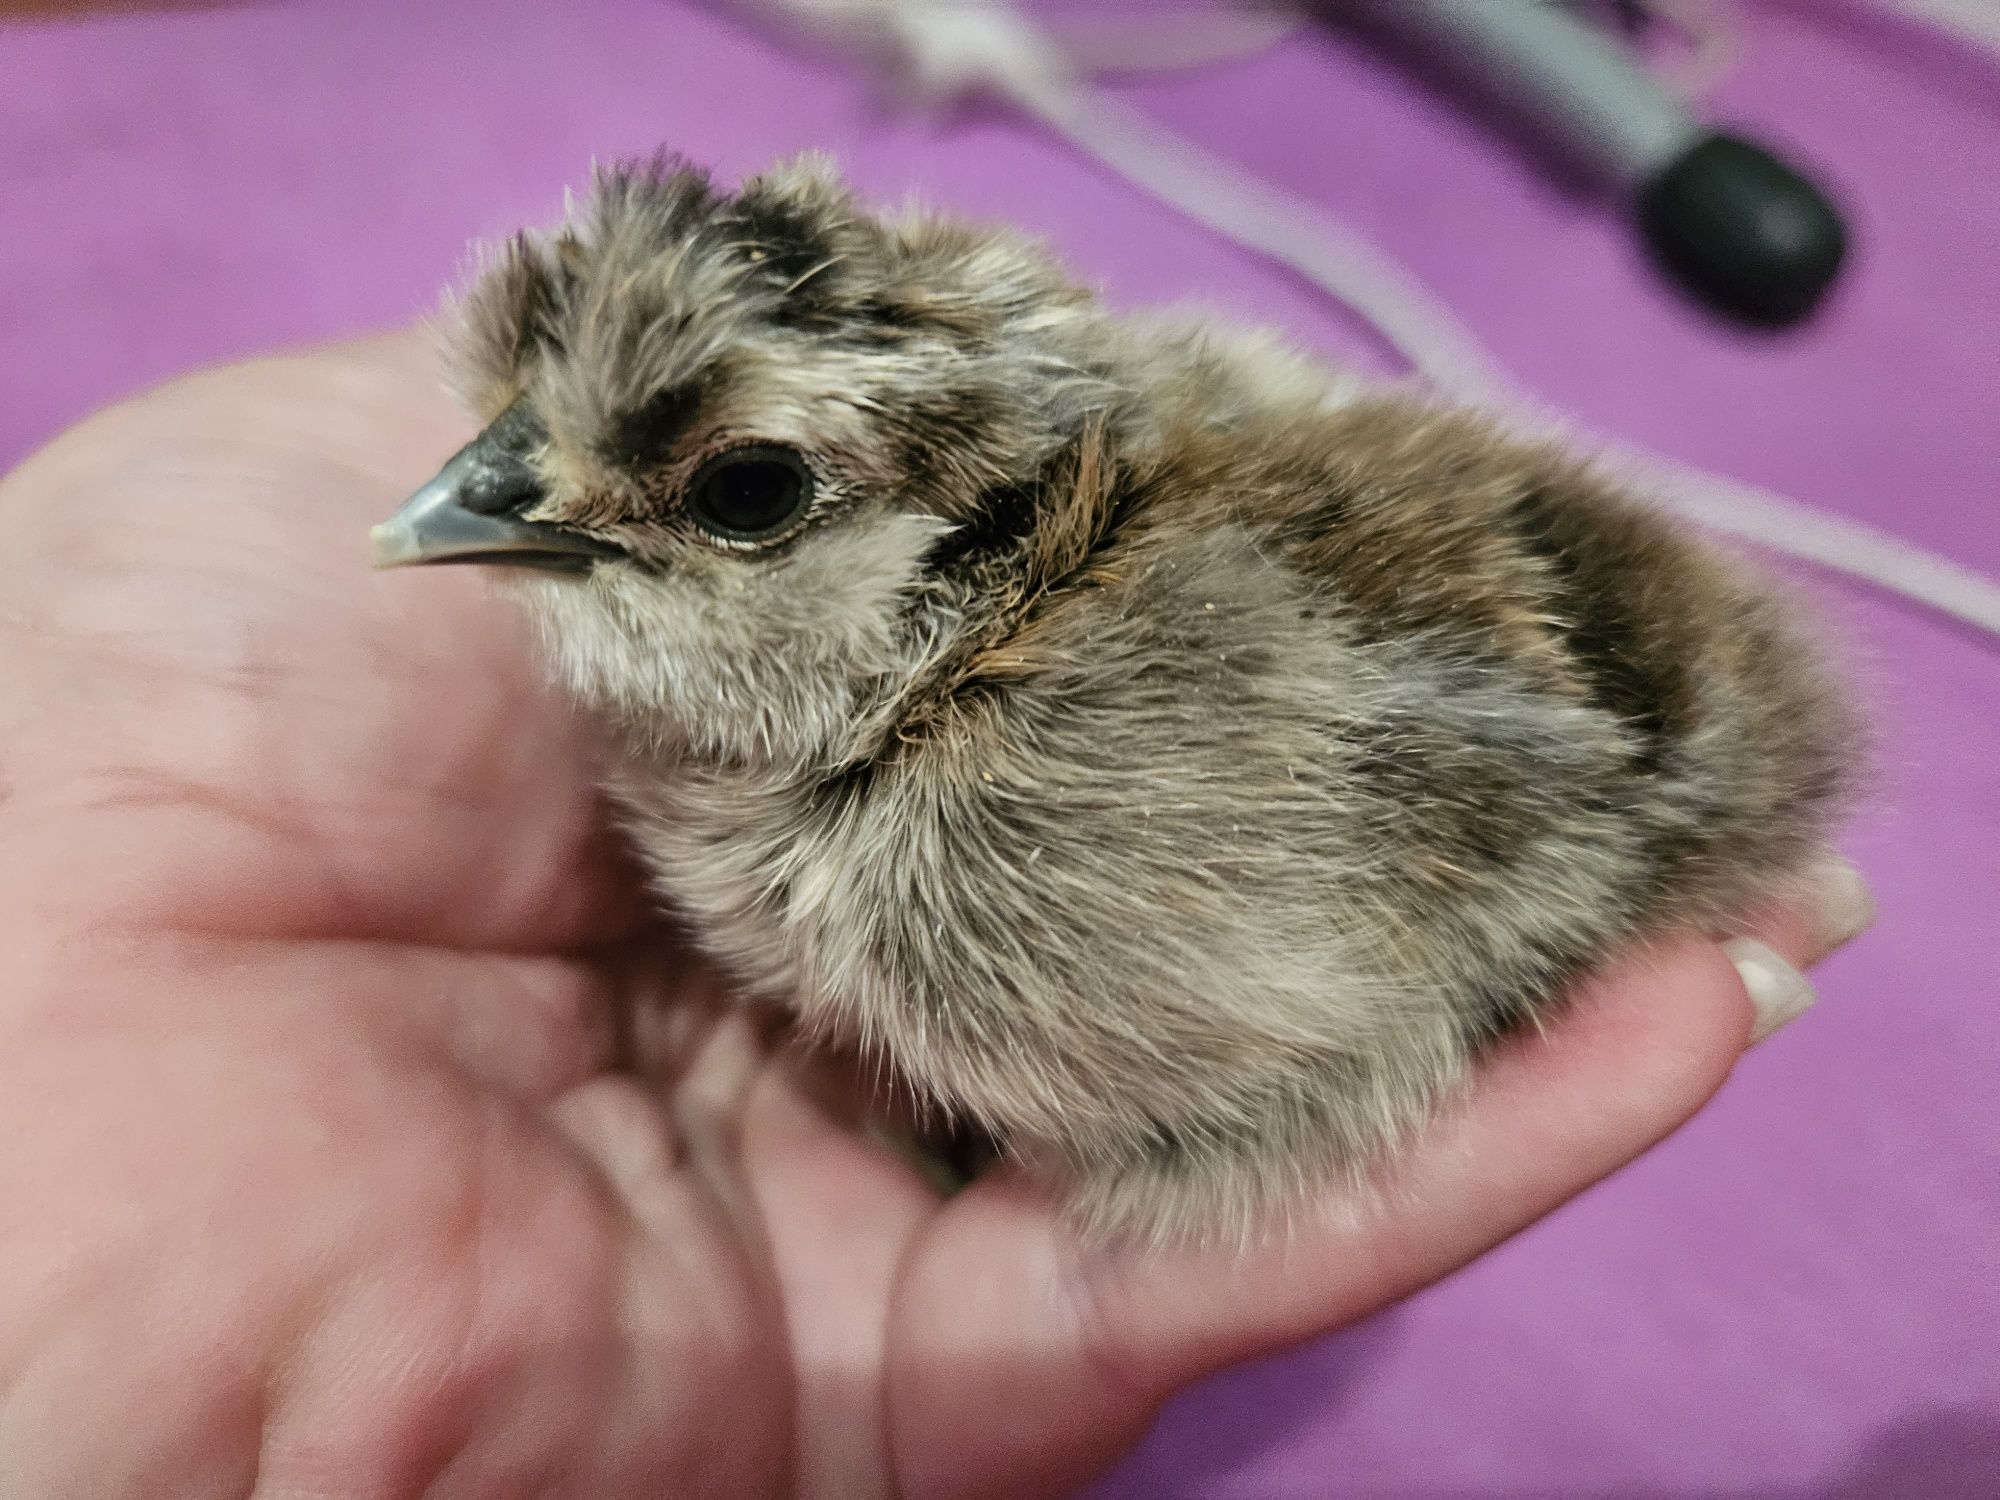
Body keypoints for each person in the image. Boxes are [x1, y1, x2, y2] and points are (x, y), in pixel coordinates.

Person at [0, 333, 1870, 1499]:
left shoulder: (1019, 817)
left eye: (737, 492)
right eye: (511, 420)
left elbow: (1293, 1001)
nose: (484, 494)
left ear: (951, 546)